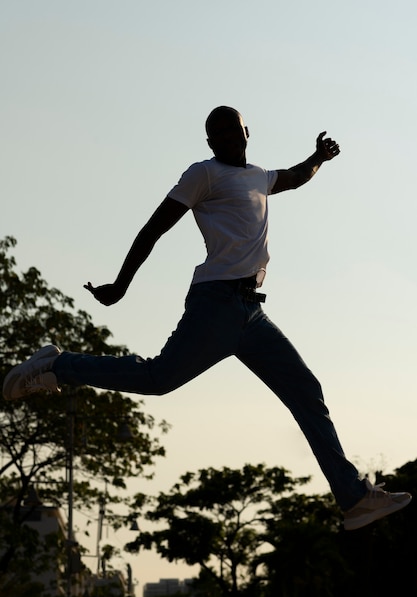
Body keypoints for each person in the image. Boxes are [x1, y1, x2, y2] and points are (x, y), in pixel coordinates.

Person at [3, 105, 411, 530]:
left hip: (252, 314)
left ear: (247, 132)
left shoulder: (259, 176)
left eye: (235, 133)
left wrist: (318, 159)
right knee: (156, 379)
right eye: (219, 136)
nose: (229, 141)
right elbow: (153, 228)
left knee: (307, 391)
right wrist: (122, 284)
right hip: (216, 304)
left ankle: (354, 498)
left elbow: (294, 177)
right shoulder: (204, 174)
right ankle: (56, 365)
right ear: (210, 143)